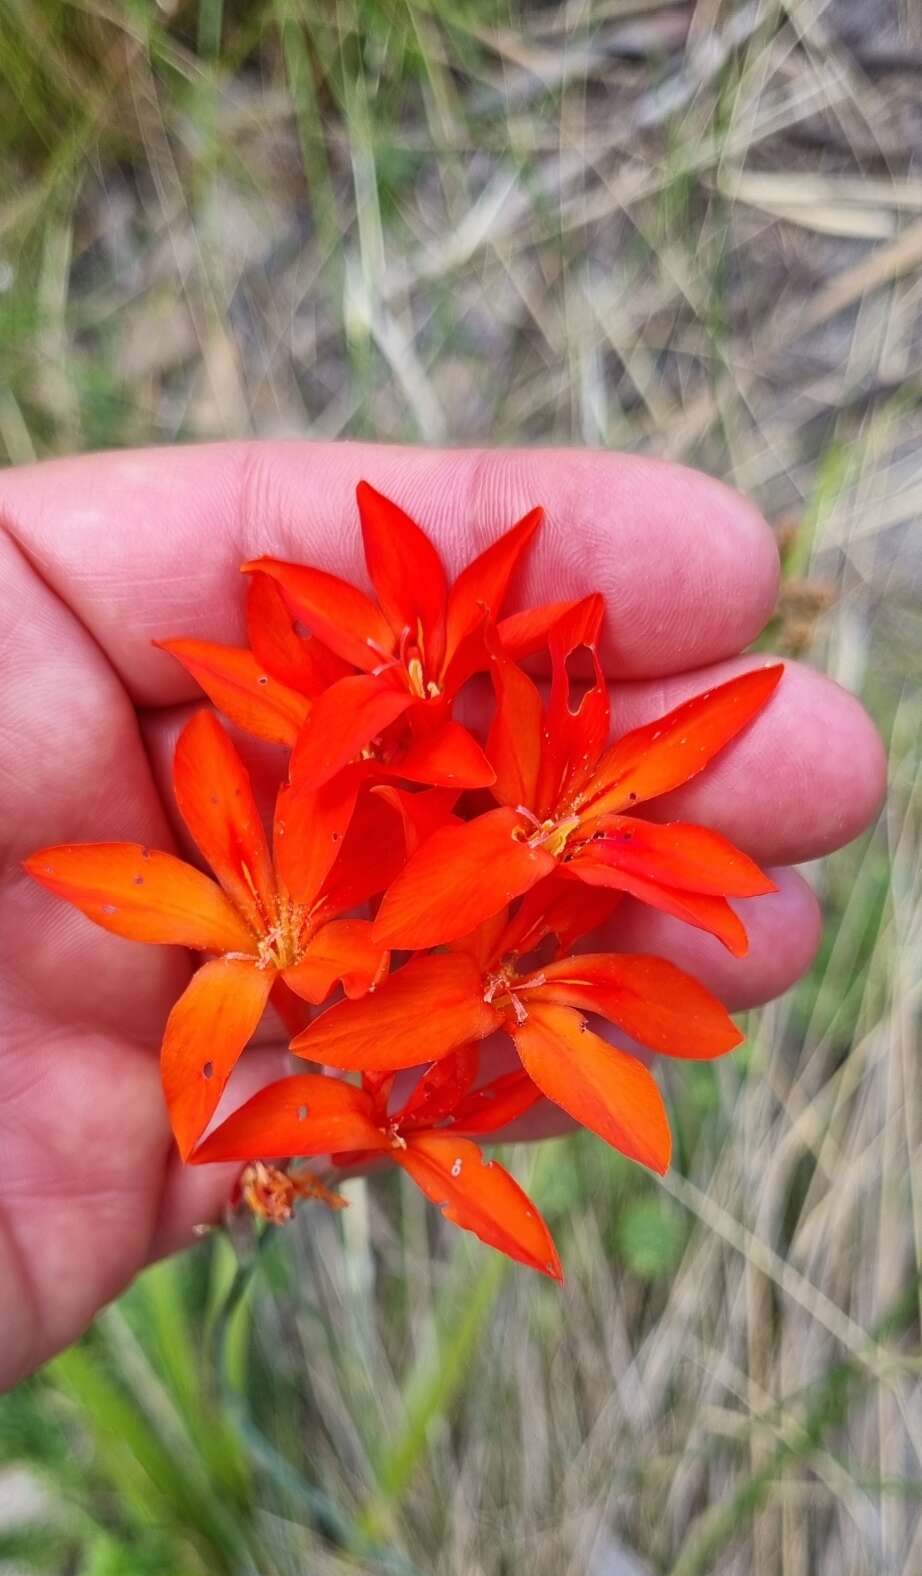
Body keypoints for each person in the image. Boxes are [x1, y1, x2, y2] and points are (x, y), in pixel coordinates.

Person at [0, 441, 886, 1389]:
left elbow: (423, 909)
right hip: (367, 957)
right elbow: (356, 895)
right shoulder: (345, 862)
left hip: (429, 964)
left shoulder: (491, 841)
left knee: (526, 886)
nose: (421, 685)